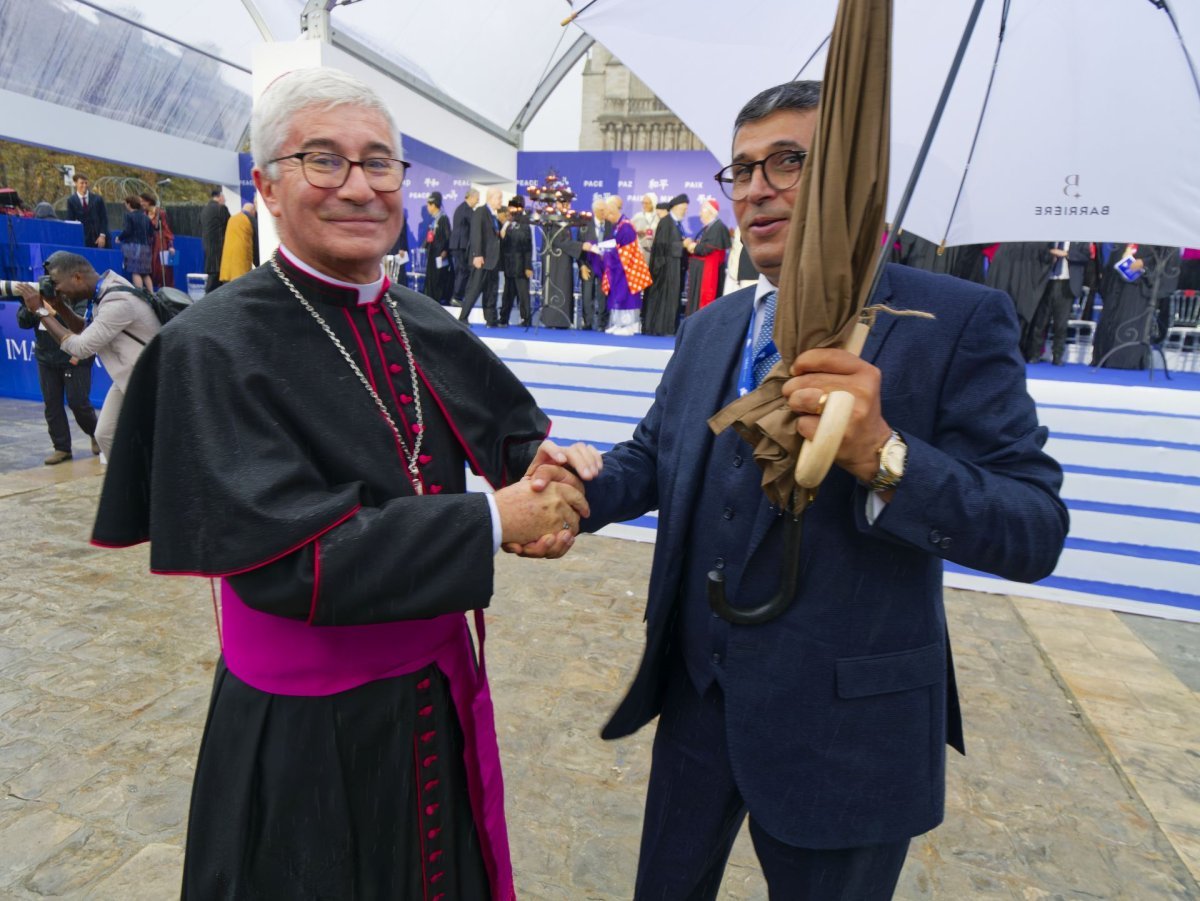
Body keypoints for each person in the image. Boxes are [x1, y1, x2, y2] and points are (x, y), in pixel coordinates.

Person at [517, 79, 1068, 899]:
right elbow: (655, 457)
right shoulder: (712, 326)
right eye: (740, 169)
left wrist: (885, 454)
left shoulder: (956, 321)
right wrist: (578, 489)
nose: (757, 187)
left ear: (856, 173)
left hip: (847, 729)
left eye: (789, 161)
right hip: (700, 697)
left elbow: (1033, 527)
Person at [89, 67, 592, 900]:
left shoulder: (419, 315)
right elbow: (295, 562)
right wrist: (491, 521)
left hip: (432, 696)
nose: (359, 186)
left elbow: (511, 437)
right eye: (324, 160)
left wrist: (554, 476)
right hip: (305, 730)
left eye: (380, 162)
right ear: (268, 187)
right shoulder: (210, 345)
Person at [15, 251, 159, 460]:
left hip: (151, 378)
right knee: (105, 434)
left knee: (154, 440)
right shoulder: (102, 292)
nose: (57, 290)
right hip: (129, 375)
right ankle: (126, 487)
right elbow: (83, 329)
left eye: (57, 284)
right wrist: (58, 306)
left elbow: (80, 347)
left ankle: (147, 485)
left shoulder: (117, 300)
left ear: (77, 278)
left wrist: (40, 310)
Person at [15, 281, 99, 465]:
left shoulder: (78, 295)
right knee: (52, 404)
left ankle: (96, 434)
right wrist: (31, 308)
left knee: (78, 402)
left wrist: (50, 310)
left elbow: (80, 324)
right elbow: (22, 322)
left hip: (75, 357)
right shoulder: (37, 295)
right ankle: (61, 448)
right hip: (46, 359)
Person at [1092, 243, 1181, 369]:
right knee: (1110, 320)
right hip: (1117, 284)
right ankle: (1103, 356)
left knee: (1130, 322)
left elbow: (1164, 259)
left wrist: (1143, 263)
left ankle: (1124, 361)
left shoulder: (1160, 237)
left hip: (1138, 288)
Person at [586, 194, 644, 335]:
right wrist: (598, 247)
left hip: (626, 270)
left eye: (607, 215)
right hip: (618, 269)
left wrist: (604, 252)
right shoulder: (619, 226)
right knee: (616, 296)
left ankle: (628, 325)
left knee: (625, 297)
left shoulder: (626, 227)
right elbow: (614, 245)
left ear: (612, 213)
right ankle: (618, 323)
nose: (606, 219)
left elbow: (626, 252)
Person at [538, 198, 586, 328]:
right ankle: (553, 320)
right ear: (557, 204)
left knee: (564, 287)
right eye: (563, 203)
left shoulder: (566, 220)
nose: (566, 206)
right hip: (554, 262)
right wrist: (581, 246)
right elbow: (559, 241)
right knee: (556, 288)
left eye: (568, 203)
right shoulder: (551, 219)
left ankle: (563, 320)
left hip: (564, 261)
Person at [459, 187, 502, 326]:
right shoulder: (481, 211)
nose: (501, 201)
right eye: (499, 198)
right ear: (491, 198)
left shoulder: (493, 215)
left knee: (491, 290)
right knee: (474, 289)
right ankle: (463, 317)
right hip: (482, 259)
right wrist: (477, 255)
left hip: (492, 260)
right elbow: (476, 233)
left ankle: (491, 319)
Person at [641, 198, 684, 336]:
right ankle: (660, 328)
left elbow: (663, 247)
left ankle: (662, 327)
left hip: (665, 268)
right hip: (665, 269)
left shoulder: (669, 223)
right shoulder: (667, 223)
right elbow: (663, 247)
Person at [683, 198, 732, 314]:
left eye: (702, 211)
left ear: (710, 212)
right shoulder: (710, 227)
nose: (700, 214)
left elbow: (707, 249)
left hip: (708, 273)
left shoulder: (718, 228)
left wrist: (692, 246)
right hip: (702, 270)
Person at [499, 195, 533, 327]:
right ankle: (503, 318)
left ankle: (526, 319)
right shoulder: (509, 222)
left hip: (520, 265)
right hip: (509, 265)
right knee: (507, 293)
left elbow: (527, 246)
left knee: (523, 294)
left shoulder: (524, 222)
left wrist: (528, 266)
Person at [580, 197, 612, 331]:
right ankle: (587, 322)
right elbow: (579, 247)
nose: (604, 212)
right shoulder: (585, 225)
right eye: (601, 210)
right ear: (595, 211)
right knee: (587, 295)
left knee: (603, 295)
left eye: (605, 209)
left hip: (605, 267)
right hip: (588, 265)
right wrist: (581, 265)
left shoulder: (610, 225)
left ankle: (602, 324)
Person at [116, 195, 154, 291]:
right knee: (145, 273)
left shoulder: (128, 216)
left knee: (135, 272)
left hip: (133, 247)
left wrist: (119, 238)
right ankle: (153, 295)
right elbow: (151, 233)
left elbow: (128, 231)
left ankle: (139, 294)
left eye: (126, 204)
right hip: (146, 247)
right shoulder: (146, 217)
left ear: (129, 204)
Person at [422, 191, 453, 304]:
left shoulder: (443, 219)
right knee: (431, 277)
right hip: (432, 254)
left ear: (434, 205)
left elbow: (447, 236)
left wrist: (445, 250)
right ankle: (430, 299)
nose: (427, 208)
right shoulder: (434, 219)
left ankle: (437, 300)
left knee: (438, 279)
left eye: (428, 205)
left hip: (440, 255)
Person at [450, 188, 479, 304]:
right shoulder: (467, 210)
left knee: (462, 271)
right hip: (460, 246)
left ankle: (458, 296)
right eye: (477, 199)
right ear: (471, 197)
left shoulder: (461, 208)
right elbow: (475, 224)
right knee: (463, 271)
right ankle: (456, 297)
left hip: (458, 245)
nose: (477, 202)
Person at [140, 191, 175, 289]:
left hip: (160, 243)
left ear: (149, 201)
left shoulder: (161, 213)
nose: (141, 204)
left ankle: (165, 290)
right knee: (149, 268)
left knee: (162, 269)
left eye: (143, 201)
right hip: (148, 244)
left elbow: (166, 229)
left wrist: (171, 246)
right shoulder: (144, 214)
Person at [199, 189, 231, 294]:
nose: (225, 200)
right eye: (224, 197)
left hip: (208, 248)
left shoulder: (204, 210)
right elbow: (230, 227)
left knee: (213, 277)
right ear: (220, 196)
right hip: (220, 250)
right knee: (215, 281)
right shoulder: (221, 208)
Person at [66, 173, 108, 248]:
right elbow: (70, 220)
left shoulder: (97, 199)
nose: (84, 185)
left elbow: (104, 218)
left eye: (86, 183)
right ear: (75, 184)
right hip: (82, 239)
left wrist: (102, 235)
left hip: (98, 239)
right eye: (82, 183)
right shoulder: (71, 201)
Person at [219, 202, 257, 285]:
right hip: (240, 269)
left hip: (226, 269)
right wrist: (259, 265)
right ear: (253, 211)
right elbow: (256, 245)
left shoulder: (232, 219)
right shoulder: (249, 219)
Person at [631, 191, 659, 267]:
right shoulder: (638, 216)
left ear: (653, 203)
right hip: (640, 251)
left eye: (647, 203)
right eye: (643, 203)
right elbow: (629, 230)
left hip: (655, 252)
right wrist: (636, 232)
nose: (644, 205)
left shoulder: (658, 217)